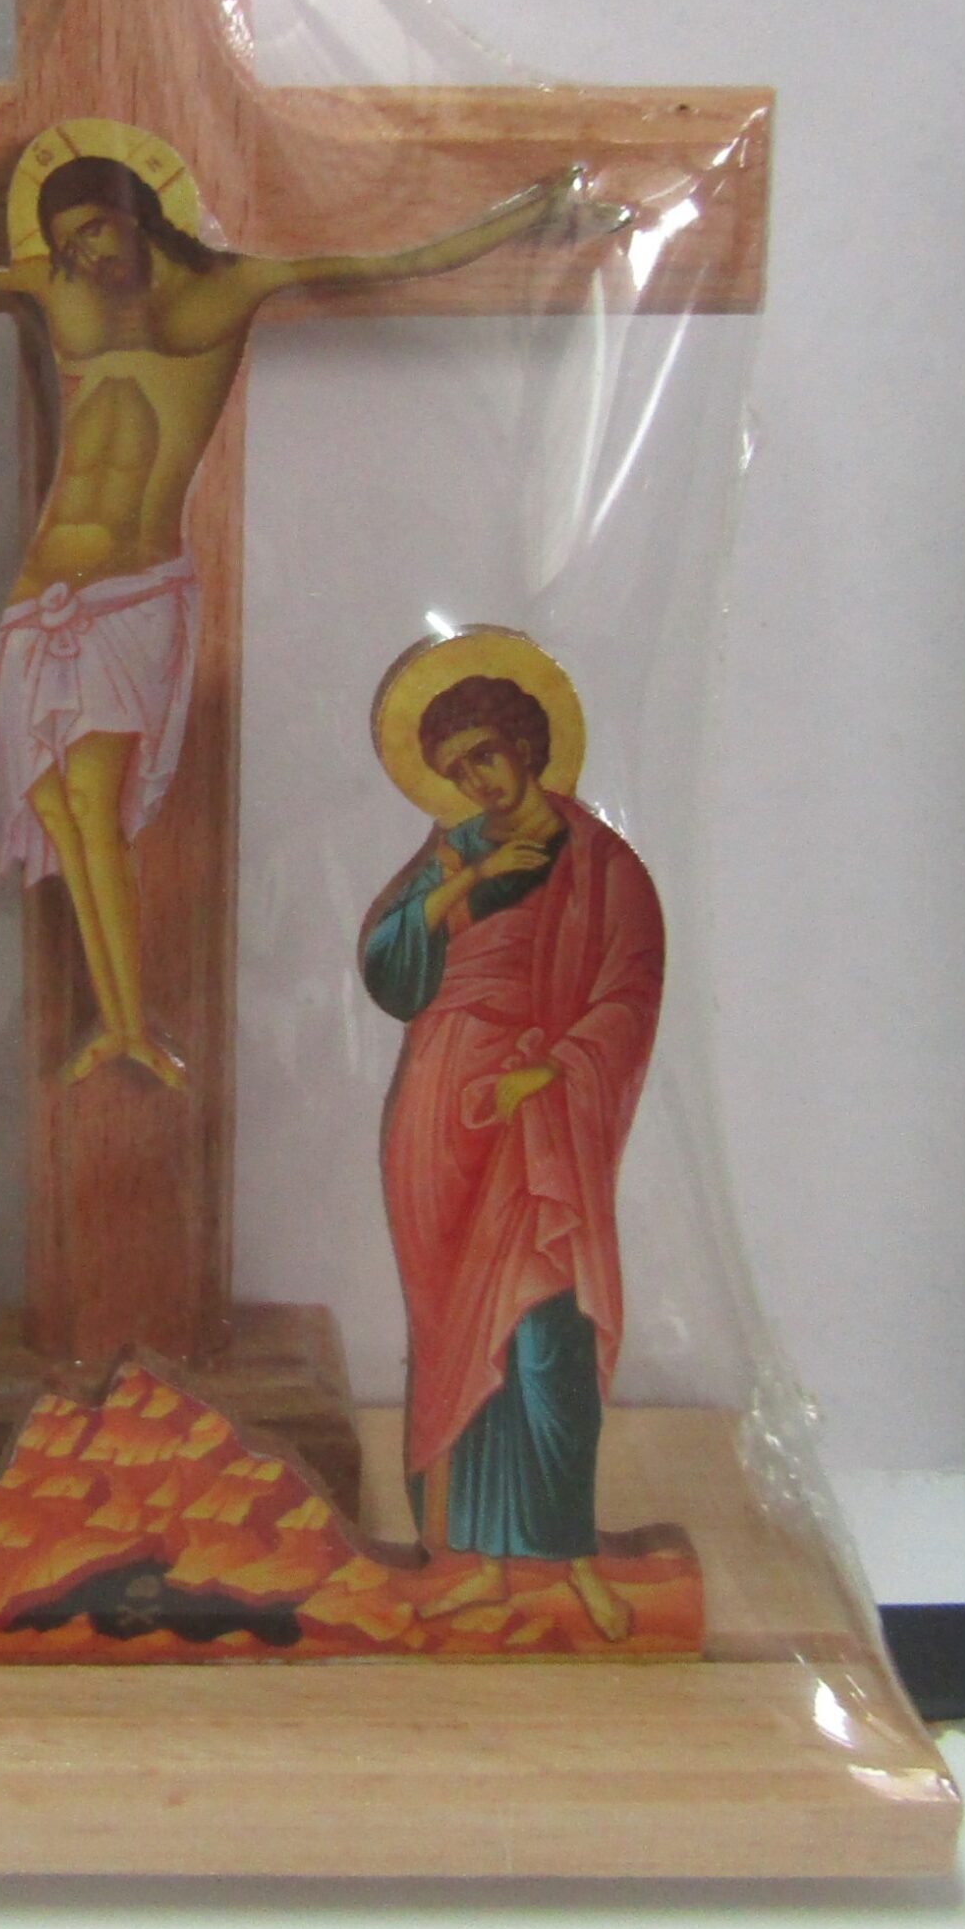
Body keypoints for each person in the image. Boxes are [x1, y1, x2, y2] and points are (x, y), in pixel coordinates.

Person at [0, 132, 611, 1088]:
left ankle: (128, 1024)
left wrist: (534, 213)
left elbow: (392, 260)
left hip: (133, 592)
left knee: (96, 808)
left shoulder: (233, 287)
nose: (85, 255)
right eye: (67, 244)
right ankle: (115, 1018)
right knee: (57, 808)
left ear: (140, 212)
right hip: (39, 598)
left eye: (93, 230)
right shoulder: (59, 295)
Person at [361, 665, 663, 1642]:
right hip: (443, 1112)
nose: (477, 781)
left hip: (539, 1117)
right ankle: (475, 1563)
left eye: (485, 755)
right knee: (456, 1332)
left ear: (527, 744)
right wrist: (466, 882)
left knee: (546, 1334)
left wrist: (553, 1070)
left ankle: (569, 1562)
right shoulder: (452, 852)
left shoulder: (602, 865)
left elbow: (628, 992)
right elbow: (389, 971)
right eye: (456, 769)